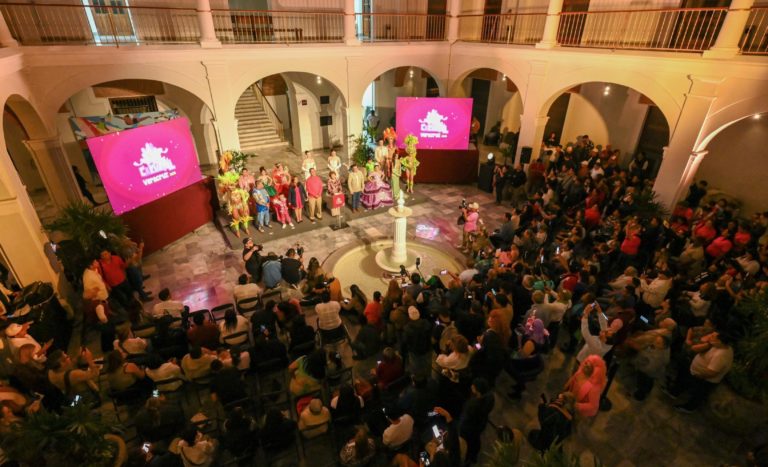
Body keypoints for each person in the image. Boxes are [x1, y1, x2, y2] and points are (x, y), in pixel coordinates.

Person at [459, 377, 495, 464]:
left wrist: (461, 427)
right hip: (480, 425)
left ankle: (468, 459)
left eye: (473, 386)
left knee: (468, 442)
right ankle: (473, 457)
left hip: (469, 428)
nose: (471, 386)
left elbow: (466, 418)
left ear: (478, 391)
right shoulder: (489, 398)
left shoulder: (473, 405)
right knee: (475, 440)